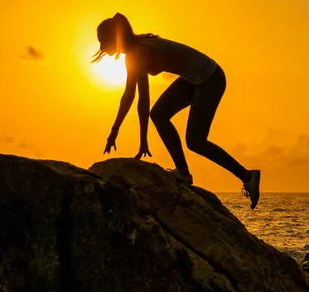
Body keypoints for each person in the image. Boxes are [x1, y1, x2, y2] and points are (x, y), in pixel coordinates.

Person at [92, 13, 261, 209]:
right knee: (159, 114)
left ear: (113, 37)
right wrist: (115, 131)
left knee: (195, 140)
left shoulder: (138, 53)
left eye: (102, 42)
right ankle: (183, 172)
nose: (101, 48)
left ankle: (247, 175)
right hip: (193, 79)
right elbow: (129, 95)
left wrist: (143, 141)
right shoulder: (132, 55)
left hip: (210, 77)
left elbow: (143, 99)